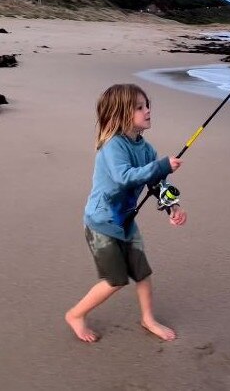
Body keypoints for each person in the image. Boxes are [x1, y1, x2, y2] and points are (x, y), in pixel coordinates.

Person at [65, 83, 187, 343]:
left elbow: (157, 184)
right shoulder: (113, 146)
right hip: (102, 223)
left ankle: (148, 318)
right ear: (120, 113)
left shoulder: (147, 150)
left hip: (126, 221)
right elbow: (124, 178)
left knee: (142, 272)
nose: (148, 111)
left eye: (147, 105)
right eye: (140, 107)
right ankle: (75, 315)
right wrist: (162, 165)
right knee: (115, 280)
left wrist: (172, 207)